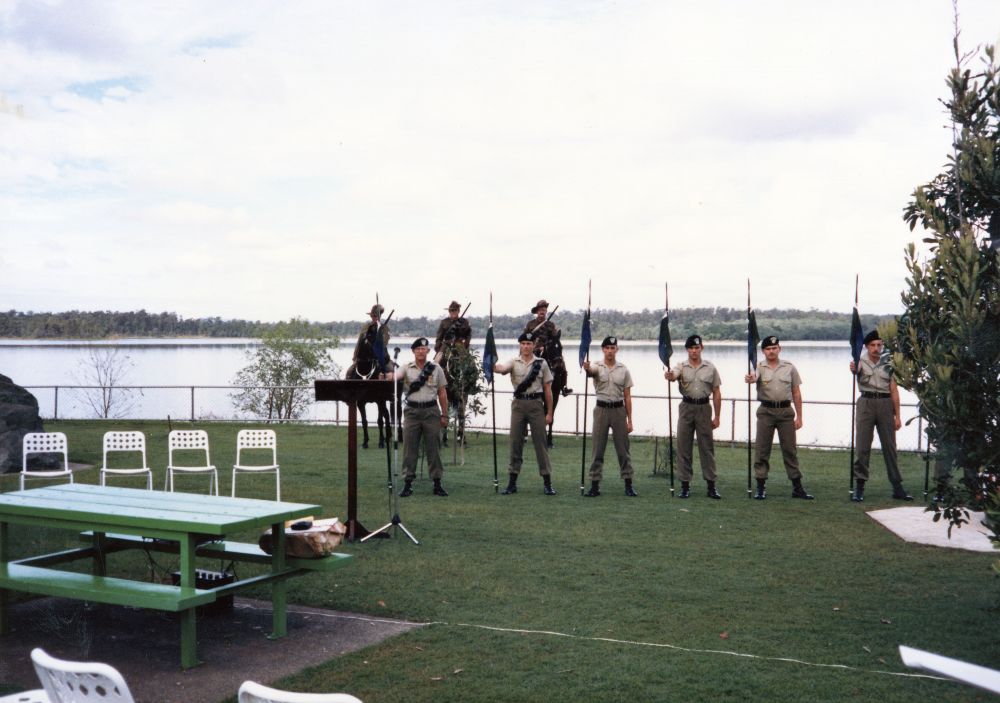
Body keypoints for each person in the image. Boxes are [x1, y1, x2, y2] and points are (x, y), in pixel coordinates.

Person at [743, 335, 814, 500]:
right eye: (768, 349)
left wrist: (800, 417)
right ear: (763, 351)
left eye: (774, 348)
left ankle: (797, 487)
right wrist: (750, 379)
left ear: (779, 349)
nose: (771, 351)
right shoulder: (759, 367)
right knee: (762, 450)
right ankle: (761, 487)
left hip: (786, 413)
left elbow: (796, 392)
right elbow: (753, 377)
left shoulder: (789, 367)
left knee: (790, 450)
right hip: (766, 412)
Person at [849, 330, 912, 502]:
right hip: (866, 403)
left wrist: (897, 415)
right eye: (873, 345)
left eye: (879, 345)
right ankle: (859, 486)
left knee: (890, 447)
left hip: (885, 404)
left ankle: (897, 487)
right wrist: (853, 369)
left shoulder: (889, 363)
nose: (876, 348)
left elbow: (894, 390)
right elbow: (855, 371)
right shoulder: (859, 361)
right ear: (867, 347)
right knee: (862, 447)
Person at [493, 331, 556, 496]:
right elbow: (501, 369)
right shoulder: (514, 362)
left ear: (533, 345)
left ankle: (547, 483)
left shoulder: (541, 364)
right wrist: (491, 364)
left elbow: (548, 391)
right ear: (520, 345)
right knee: (515, 443)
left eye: (529, 344)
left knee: (541, 444)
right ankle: (512, 483)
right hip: (519, 405)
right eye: (523, 344)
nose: (526, 346)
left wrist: (549, 413)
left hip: (536, 405)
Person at [664, 334, 722, 499]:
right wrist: (670, 376)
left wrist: (717, 416)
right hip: (686, 408)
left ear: (701, 348)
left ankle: (711, 486)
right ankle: (685, 485)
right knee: (684, 447)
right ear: (687, 349)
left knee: (707, 448)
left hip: (704, 408)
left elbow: (717, 392)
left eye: (697, 348)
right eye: (691, 348)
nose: (694, 351)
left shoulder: (710, 368)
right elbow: (673, 375)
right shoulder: (681, 366)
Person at [391, 337, 449, 497]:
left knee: (434, 449)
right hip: (412, 412)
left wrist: (444, 414)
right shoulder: (406, 368)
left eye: (424, 349)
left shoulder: (436, 369)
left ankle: (437, 483)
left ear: (428, 351)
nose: (421, 352)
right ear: (413, 351)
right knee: (410, 449)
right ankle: (408, 483)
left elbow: (442, 393)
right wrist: (388, 376)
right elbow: (395, 377)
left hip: (431, 412)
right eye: (418, 349)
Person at [582, 336, 636, 497]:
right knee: (598, 449)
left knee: (623, 450)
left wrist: (630, 420)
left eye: (613, 348)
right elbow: (591, 372)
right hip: (601, 410)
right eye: (607, 348)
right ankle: (594, 485)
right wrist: (586, 368)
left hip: (619, 411)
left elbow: (627, 396)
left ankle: (628, 484)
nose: (610, 351)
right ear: (603, 350)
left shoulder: (623, 369)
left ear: (617, 350)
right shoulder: (597, 366)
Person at [523, 299, 572, 397]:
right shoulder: (530, 324)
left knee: (561, 361)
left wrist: (547, 346)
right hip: (533, 349)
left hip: (548, 349)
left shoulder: (550, 324)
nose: (542, 311)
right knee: (523, 365)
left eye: (544, 309)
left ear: (546, 311)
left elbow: (554, 338)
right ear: (537, 312)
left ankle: (563, 386)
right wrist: (534, 346)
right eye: (540, 309)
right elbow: (524, 339)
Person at [353, 304, 389, 368]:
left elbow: (385, 343)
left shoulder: (384, 328)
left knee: (389, 369)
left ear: (379, 316)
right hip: (365, 357)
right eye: (372, 316)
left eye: (375, 316)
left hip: (380, 356)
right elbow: (359, 342)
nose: (373, 318)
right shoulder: (366, 326)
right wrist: (355, 358)